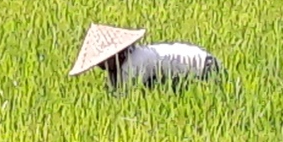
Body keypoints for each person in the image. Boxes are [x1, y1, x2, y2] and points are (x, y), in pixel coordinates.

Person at [67, 23, 222, 94]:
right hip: (191, 67)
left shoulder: (135, 63)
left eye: (103, 61)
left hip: (204, 68)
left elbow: (125, 97)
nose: (100, 66)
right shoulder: (126, 62)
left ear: (118, 54)